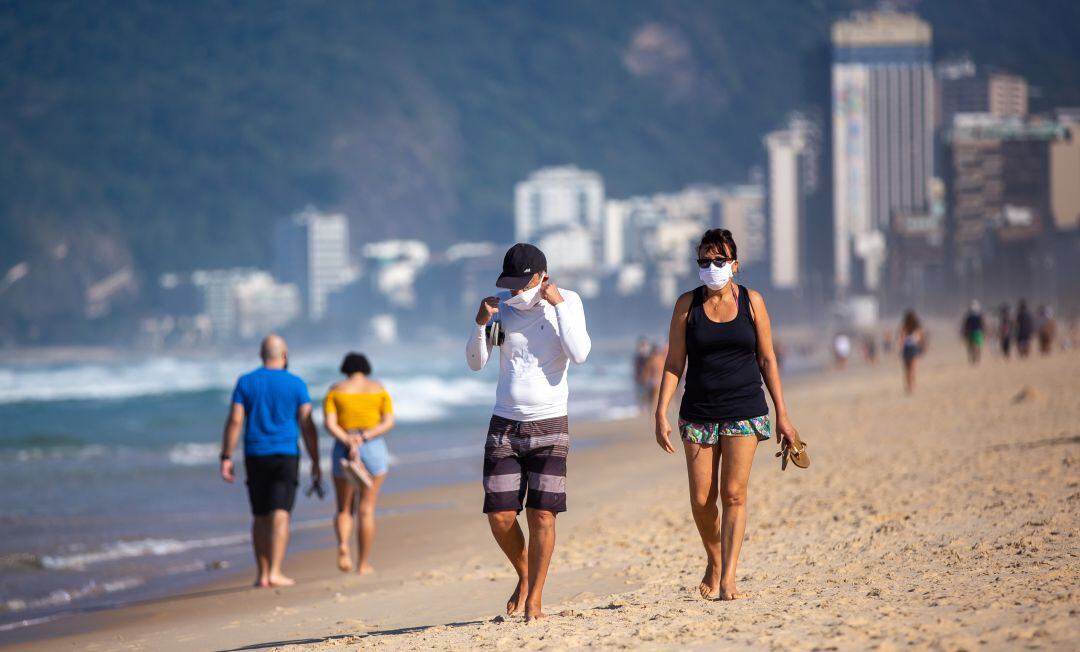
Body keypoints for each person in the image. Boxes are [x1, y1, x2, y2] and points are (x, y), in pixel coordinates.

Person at [653, 228, 801, 601]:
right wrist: (661, 411)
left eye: (719, 260)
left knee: (733, 493)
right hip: (699, 413)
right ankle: (715, 558)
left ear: (735, 264)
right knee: (702, 501)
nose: (711, 267)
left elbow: (767, 358)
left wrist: (783, 414)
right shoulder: (687, 306)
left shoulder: (753, 302)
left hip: (744, 409)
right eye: (704, 261)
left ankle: (729, 577)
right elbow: (674, 363)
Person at [466, 243, 591, 621]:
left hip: (551, 422)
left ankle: (535, 597)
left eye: (523, 285)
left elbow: (579, 353)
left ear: (542, 278)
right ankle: (525, 573)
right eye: (511, 285)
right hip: (504, 423)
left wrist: (559, 305)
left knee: (542, 515)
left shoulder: (568, 301)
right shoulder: (500, 309)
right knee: (500, 515)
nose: (515, 292)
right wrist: (479, 324)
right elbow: (476, 363)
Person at [220, 335, 321, 588]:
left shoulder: (246, 381)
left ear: (261, 355)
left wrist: (226, 456)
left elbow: (235, 420)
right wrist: (316, 460)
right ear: (284, 355)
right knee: (281, 513)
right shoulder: (296, 383)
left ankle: (262, 573)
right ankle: (275, 571)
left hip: (255, 454)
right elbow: (307, 425)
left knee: (260, 514)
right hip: (286, 453)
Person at [324, 352, 395, 575]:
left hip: (343, 447)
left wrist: (348, 440)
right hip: (373, 447)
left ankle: (343, 545)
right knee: (366, 509)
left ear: (345, 368)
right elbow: (388, 421)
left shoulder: (336, 389)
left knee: (344, 507)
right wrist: (364, 438)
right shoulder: (378, 388)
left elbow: (329, 424)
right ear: (366, 367)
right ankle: (363, 564)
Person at [897, 311, 924, 394]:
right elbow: (920, 338)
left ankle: (909, 387)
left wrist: (899, 349)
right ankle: (912, 386)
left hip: (907, 348)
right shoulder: (915, 326)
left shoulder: (905, 326)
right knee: (912, 369)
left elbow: (901, 338)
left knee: (908, 369)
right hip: (913, 348)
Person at [961, 301, 985, 366]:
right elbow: (983, 325)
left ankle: (974, 359)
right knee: (976, 346)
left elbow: (965, 326)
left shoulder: (970, 316)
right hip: (975, 332)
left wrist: (964, 333)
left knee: (972, 347)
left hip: (974, 332)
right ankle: (976, 359)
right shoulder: (978, 316)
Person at [633, 338, 652, 414]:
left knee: (646, 393)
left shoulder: (646, 356)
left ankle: (645, 407)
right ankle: (642, 407)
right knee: (641, 393)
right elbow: (636, 367)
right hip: (640, 378)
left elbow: (649, 367)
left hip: (646, 377)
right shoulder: (638, 356)